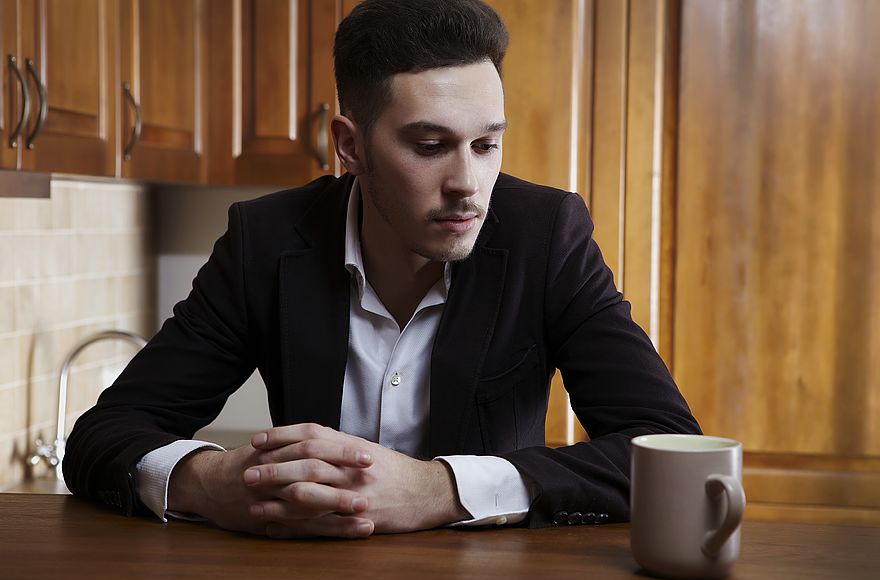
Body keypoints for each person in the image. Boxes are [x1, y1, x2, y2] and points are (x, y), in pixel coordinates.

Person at [63, 0, 700, 539]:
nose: (469, 185)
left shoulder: (546, 235)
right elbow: (103, 435)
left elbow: (669, 451)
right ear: (350, 146)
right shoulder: (265, 241)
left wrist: (438, 488)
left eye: (487, 145)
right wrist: (210, 482)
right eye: (430, 146)